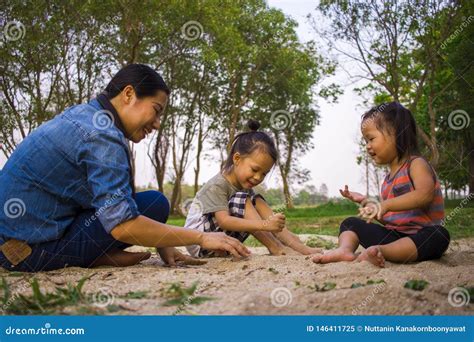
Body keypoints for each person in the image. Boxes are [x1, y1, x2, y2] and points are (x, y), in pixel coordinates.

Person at [0, 64, 250, 272]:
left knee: (151, 202)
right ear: (128, 94)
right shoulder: (103, 136)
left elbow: (111, 200)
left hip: (18, 240)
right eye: (156, 110)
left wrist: (164, 242)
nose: (157, 124)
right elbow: (122, 224)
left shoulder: (85, 115)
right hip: (24, 253)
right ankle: (90, 258)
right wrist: (201, 236)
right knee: (155, 204)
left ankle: (94, 256)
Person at [313, 102, 450, 267]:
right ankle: (345, 250)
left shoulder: (416, 164)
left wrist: (384, 204)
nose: (368, 146)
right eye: (365, 141)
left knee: (439, 235)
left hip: (420, 236)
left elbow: (424, 195)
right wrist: (367, 203)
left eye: (371, 139)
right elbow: (392, 220)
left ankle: (381, 251)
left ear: (396, 133)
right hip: (394, 237)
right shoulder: (387, 181)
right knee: (350, 223)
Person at [184, 119, 321, 257]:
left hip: (223, 241)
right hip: (202, 244)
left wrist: (285, 233)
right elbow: (224, 222)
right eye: (255, 169)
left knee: (256, 199)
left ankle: (293, 244)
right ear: (237, 159)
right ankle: (275, 246)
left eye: (263, 174)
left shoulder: (245, 188)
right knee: (243, 199)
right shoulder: (218, 185)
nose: (257, 177)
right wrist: (265, 225)